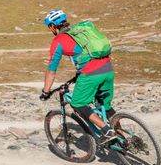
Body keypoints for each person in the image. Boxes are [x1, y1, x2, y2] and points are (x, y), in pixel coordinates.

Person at [39, 9, 119, 144]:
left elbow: (52, 70)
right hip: (107, 68)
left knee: (78, 103)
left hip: (91, 73)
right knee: (105, 106)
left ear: (52, 26)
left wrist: (46, 91)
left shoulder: (59, 40)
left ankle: (107, 131)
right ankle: (124, 136)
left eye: (49, 27)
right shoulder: (80, 30)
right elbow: (83, 54)